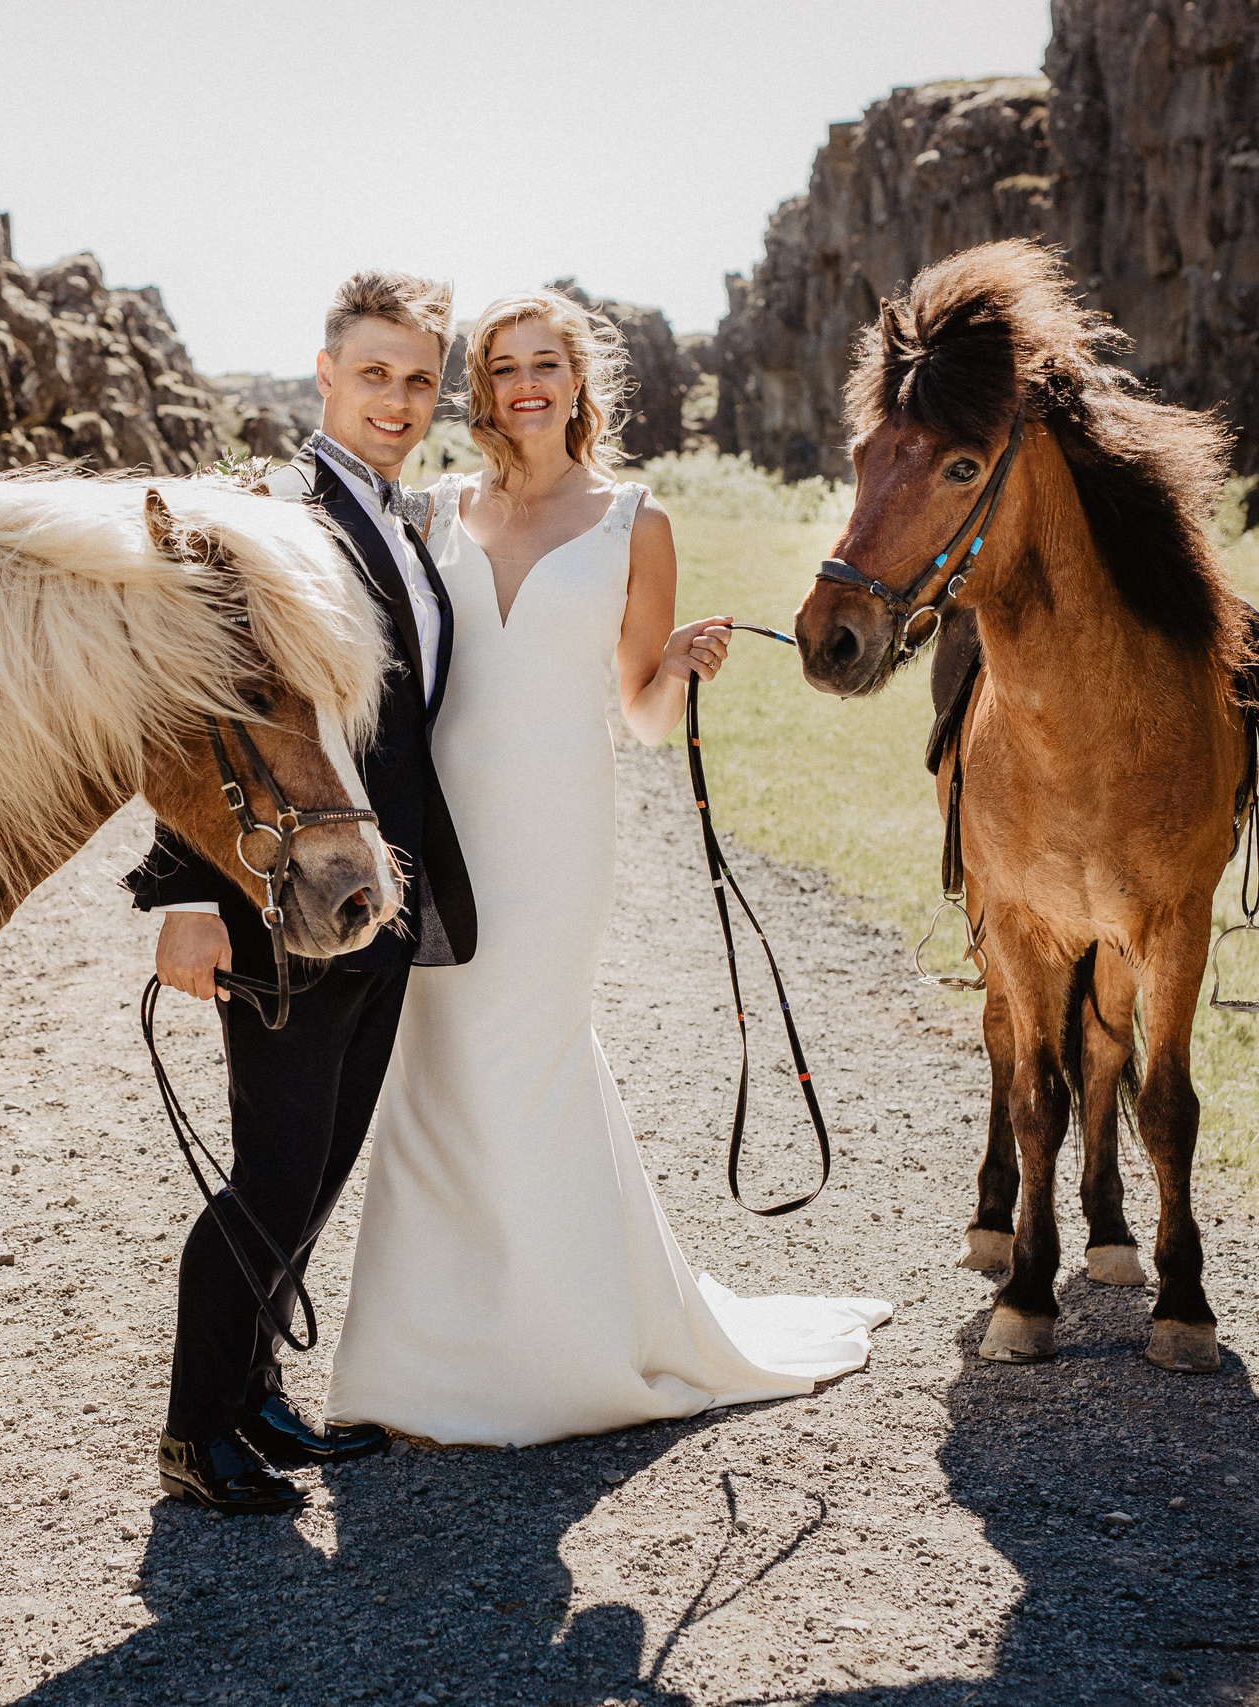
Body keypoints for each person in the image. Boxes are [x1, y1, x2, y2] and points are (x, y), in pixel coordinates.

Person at [324, 289, 892, 1446]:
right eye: (500, 367)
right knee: (433, 1075)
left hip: (554, 832)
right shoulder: (430, 511)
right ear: (477, 391)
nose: (524, 383)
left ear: (581, 383)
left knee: (526, 1064)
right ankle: (413, 1368)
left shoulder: (637, 518)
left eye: (546, 363)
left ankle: (559, 1356)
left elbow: (635, 716)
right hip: (436, 829)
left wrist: (676, 665)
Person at [126, 270, 477, 1513]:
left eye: (419, 379)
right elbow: (199, 714)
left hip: (372, 893)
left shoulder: (395, 516)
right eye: (373, 372)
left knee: (322, 1166)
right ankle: (189, 1432)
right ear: (325, 373)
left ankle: (254, 1397)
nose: (396, 398)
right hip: (275, 893)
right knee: (272, 1173)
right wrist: (184, 897)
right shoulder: (268, 513)